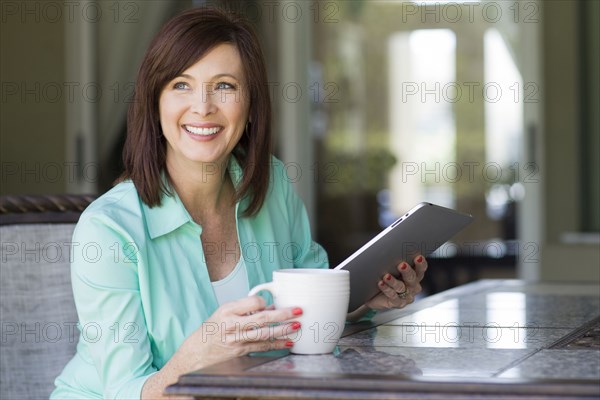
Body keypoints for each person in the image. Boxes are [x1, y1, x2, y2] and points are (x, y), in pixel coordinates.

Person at [51, 7, 427, 400]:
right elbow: (126, 391)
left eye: (225, 86)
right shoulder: (109, 229)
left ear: (250, 107)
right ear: (155, 102)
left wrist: (362, 301)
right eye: (181, 85)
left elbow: (308, 323)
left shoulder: (273, 184)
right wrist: (192, 362)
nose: (202, 106)